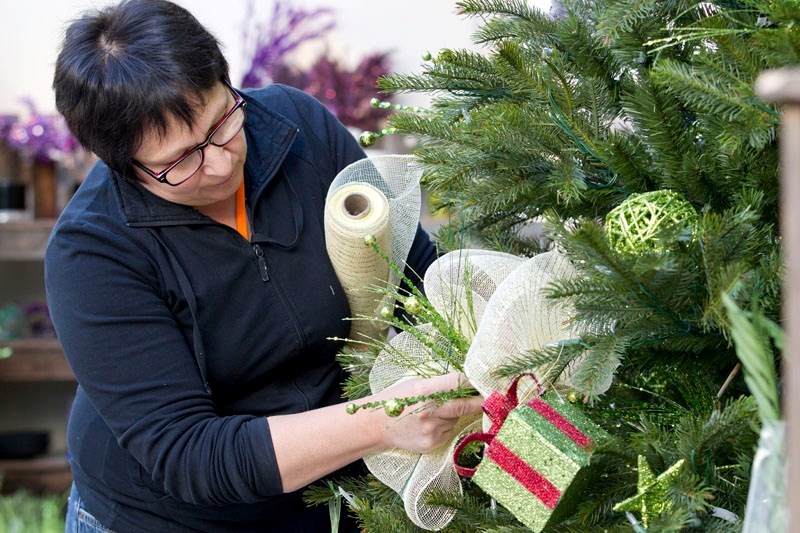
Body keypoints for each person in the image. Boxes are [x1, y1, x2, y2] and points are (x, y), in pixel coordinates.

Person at [47, 1, 483, 531]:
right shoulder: (92, 253)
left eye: (222, 121)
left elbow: (410, 269)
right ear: (122, 166)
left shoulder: (297, 127)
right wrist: (383, 422)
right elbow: (190, 456)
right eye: (182, 160)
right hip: (169, 518)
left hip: (324, 494)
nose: (222, 162)